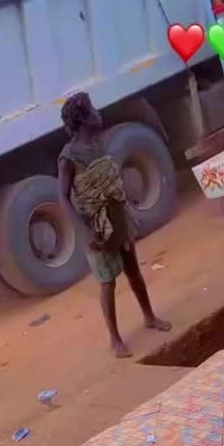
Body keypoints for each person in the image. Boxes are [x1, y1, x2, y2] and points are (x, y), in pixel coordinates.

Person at [58, 91, 171, 357]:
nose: (98, 113)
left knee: (133, 270)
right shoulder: (69, 157)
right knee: (107, 282)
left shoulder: (98, 143)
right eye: (92, 110)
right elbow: (62, 197)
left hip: (117, 217)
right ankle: (115, 340)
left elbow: (109, 181)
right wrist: (84, 231)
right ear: (83, 119)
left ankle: (149, 317)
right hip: (95, 226)